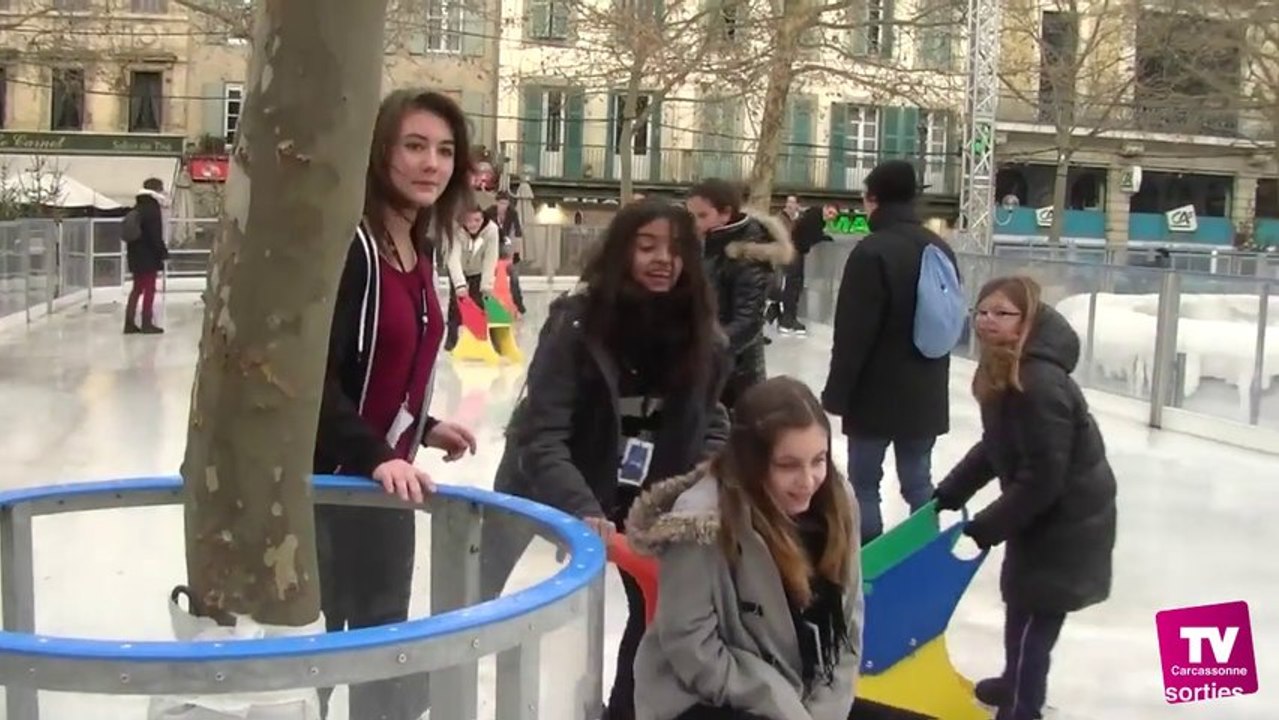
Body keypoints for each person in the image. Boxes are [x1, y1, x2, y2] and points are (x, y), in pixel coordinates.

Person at [481, 199, 732, 720]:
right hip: (551, 485)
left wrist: (699, 483)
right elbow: (542, 434)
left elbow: (712, 420)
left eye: (676, 249)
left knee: (655, 617)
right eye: (647, 246)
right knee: (479, 598)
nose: (663, 259)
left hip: (643, 500)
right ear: (621, 252)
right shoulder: (577, 325)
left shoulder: (703, 335)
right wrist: (581, 505)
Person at [312, 88, 480, 720]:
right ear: (380, 151)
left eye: (445, 150)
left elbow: (385, 365)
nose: (432, 163)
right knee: (317, 662)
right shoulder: (351, 249)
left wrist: (425, 427)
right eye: (414, 146)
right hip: (328, 491)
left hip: (386, 491)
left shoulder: (420, 248)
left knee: (383, 660)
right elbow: (310, 381)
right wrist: (375, 452)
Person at [627, 375, 863, 720]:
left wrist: (825, 711)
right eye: (788, 465)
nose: (808, 480)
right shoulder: (701, 521)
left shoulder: (839, 504)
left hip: (805, 692)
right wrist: (783, 706)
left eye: (819, 460)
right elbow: (690, 644)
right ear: (753, 462)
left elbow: (849, 625)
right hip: (707, 697)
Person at [934, 275, 1117, 720]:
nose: (987, 321)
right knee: (1021, 603)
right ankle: (1014, 683)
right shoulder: (1007, 366)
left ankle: (1024, 707)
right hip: (1040, 516)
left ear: (1027, 319)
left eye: (1002, 313)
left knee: (1038, 616)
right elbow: (997, 444)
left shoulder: (1039, 384)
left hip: (1070, 521)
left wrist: (987, 526)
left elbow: (1044, 478)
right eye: (982, 311)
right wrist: (953, 491)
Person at [820, 159, 958, 545]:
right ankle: (925, 551)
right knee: (918, 481)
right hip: (926, 389)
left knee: (865, 483)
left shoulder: (871, 252)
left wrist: (837, 394)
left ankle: (868, 558)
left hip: (873, 394)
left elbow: (853, 334)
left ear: (873, 199)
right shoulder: (939, 248)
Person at [686, 179, 795, 409]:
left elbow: (748, 320)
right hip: (708, 363)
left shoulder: (747, 255)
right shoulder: (708, 245)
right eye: (691, 216)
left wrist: (704, 349)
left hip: (734, 372)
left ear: (726, 213)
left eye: (702, 215)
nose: (695, 223)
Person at [445, 204, 501, 350]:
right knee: (455, 304)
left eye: (477, 220)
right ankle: (451, 339)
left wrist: (487, 285)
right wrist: (459, 284)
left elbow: (490, 258)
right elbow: (453, 256)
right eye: (469, 220)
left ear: (483, 218)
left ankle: (479, 339)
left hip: (478, 269)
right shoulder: (455, 229)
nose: (473, 224)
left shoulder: (492, 230)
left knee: (479, 303)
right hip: (459, 268)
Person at [777, 196, 836, 336]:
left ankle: (786, 317)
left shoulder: (813, 216)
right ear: (825, 208)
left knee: (795, 285)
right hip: (795, 252)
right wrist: (818, 238)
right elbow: (808, 234)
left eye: (833, 215)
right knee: (793, 286)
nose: (831, 217)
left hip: (796, 251)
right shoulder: (814, 217)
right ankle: (787, 320)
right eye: (830, 213)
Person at [122, 177, 169, 334]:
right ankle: (146, 323)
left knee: (136, 289)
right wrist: (162, 252)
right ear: (156, 190)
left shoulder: (138, 206)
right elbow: (155, 234)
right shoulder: (152, 208)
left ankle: (129, 323)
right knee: (149, 289)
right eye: (161, 188)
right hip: (148, 256)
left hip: (135, 255)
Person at [485, 189, 526, 313]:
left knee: (514, 275)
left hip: (506, 244)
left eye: (506, 204)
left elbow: (518, 233)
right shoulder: (489, 212)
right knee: (488, 275)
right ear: (497, 202)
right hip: (492, 244)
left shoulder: (512, 213)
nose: (503, 206)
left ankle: (518, 303)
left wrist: (517, 253)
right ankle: (486, 303)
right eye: (501, 203)